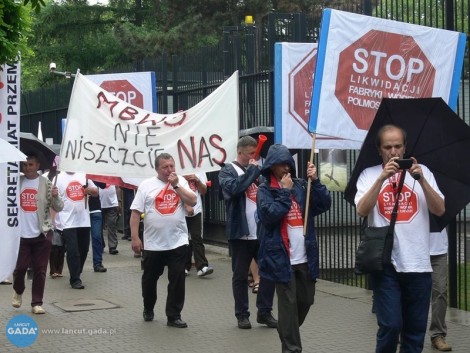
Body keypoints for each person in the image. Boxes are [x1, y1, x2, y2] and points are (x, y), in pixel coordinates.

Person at [355, 124, 445, 353]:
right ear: (379, 150)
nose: (393, 152)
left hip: (418, 265)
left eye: (398, 146)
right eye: (388, 147)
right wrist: (382, 178)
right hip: (386, 265)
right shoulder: (369, 175)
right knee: (391, 325)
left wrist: (421, 180)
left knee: (415, 332)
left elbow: (439, 209)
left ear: (405, 147)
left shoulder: (422, 172)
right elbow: (362, 210)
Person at [256, 144, 331, 352]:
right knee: (288, 305)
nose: (285, 169)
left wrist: (315, 182)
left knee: (306, 300)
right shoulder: (265, 189)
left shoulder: (300, 185)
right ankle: (292, 348)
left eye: (288, 164)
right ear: (271, 167)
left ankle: (286, 329)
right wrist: (284, 194)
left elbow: (322, 204)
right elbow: (269, 216)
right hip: (281, 258)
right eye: (280, 165)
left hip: (305, 257)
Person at [130, 153, 196, 328]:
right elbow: (135, 213)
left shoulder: (180, 182)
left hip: (178, 241)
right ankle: (148, 307)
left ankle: (174, 315)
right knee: (150, 280)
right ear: (157, 169)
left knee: (177, 281)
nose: (169, 170)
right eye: (165, 167)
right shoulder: (146, 186)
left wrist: (176, 186)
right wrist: (135, 238)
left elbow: (193, 201)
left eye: (172, 166)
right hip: (153, 244)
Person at [218, 135, 277, 330]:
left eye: (256, 152)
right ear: (240, 152)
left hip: (260, 232)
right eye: (252, 153)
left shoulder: (256, 171)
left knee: (268, 273)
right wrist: (252, 170)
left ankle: (264, 312)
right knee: (240, 276)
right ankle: (242, 315)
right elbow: (235, 189)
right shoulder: (227, 171)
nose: (255, 156)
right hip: (240, 233)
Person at [12, 153, 64, 314]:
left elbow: (59, 207)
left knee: (40, 270)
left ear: (38, 166)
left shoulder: (46, 183)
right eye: (25, 165)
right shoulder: (16, 182)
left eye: (30, 164)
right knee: (20, 269)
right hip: (20, 235)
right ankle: (18, 290)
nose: (27, 168)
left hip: (42, 234)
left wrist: (55, 196)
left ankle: (36, 303)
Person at [55, 172, 98, 289]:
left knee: (84, 249)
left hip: (84, 220)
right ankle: (75, 279)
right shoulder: (58, 178)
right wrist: (54, 221)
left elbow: (96, 192)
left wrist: (89, 190)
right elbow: (53, 201)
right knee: (73, 250)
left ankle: (77, 272)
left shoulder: (84, 175)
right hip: (67, 221)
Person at [183, 172, 214, 277]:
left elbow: (203, 191)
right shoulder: (176, 168)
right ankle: (183, 266)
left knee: (197, 237)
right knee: (182, 239)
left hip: (196, 210)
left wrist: (197, 180)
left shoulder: (200, 170)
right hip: (179, 210)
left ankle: (201, 266)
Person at [429, 229, 452, 351]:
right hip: (413, 249)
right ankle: (405, 330)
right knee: (411, 292)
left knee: (440, 291)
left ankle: (438, 334)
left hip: (438, 250)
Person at [89, 181, 107, 273]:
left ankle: (97, 263)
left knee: (97, 237)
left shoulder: (93, 172)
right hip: (79, 212)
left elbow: (103, 185)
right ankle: (77, 266)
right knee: (81, 242)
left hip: (95, 210)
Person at [100, 184, 120, 255]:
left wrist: (118, 201)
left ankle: (112, 247)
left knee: (112, 225)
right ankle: (100, 245)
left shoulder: (113, 174)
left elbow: (117, 188)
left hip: (112, 204)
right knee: (99, 227)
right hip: (99, 204)